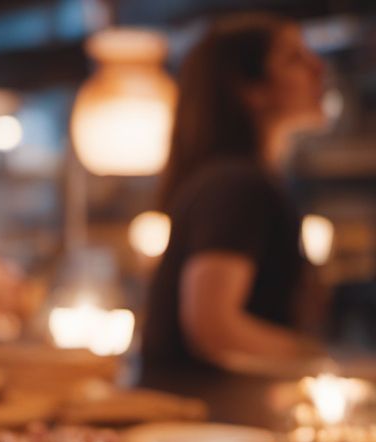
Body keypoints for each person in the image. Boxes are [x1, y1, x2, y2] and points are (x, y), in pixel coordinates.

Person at [140, 13, 328, 386]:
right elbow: (213, 328)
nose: (318, 67)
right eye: (294, 58)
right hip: (210, 424)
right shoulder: (237, 184)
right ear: (250, 89)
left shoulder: (230, 177)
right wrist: (320, 359)